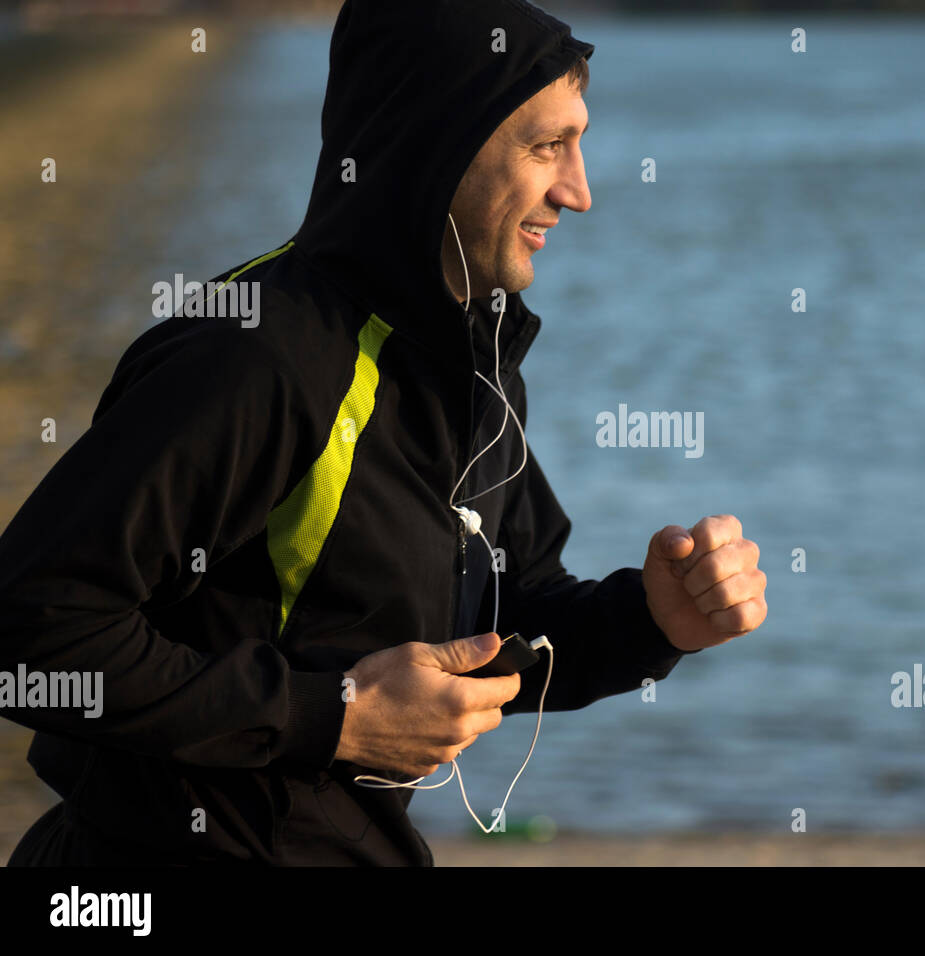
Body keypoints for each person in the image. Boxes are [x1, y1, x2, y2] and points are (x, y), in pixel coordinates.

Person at [0, 0, 766, 866]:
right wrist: (335, 716)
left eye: (578, 144)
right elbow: (31, 627)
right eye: (547, 146)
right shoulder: (258, 357)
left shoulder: (470, 358)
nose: (579, 192)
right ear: (438, 142)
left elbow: (501, 613)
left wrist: (651, 621)